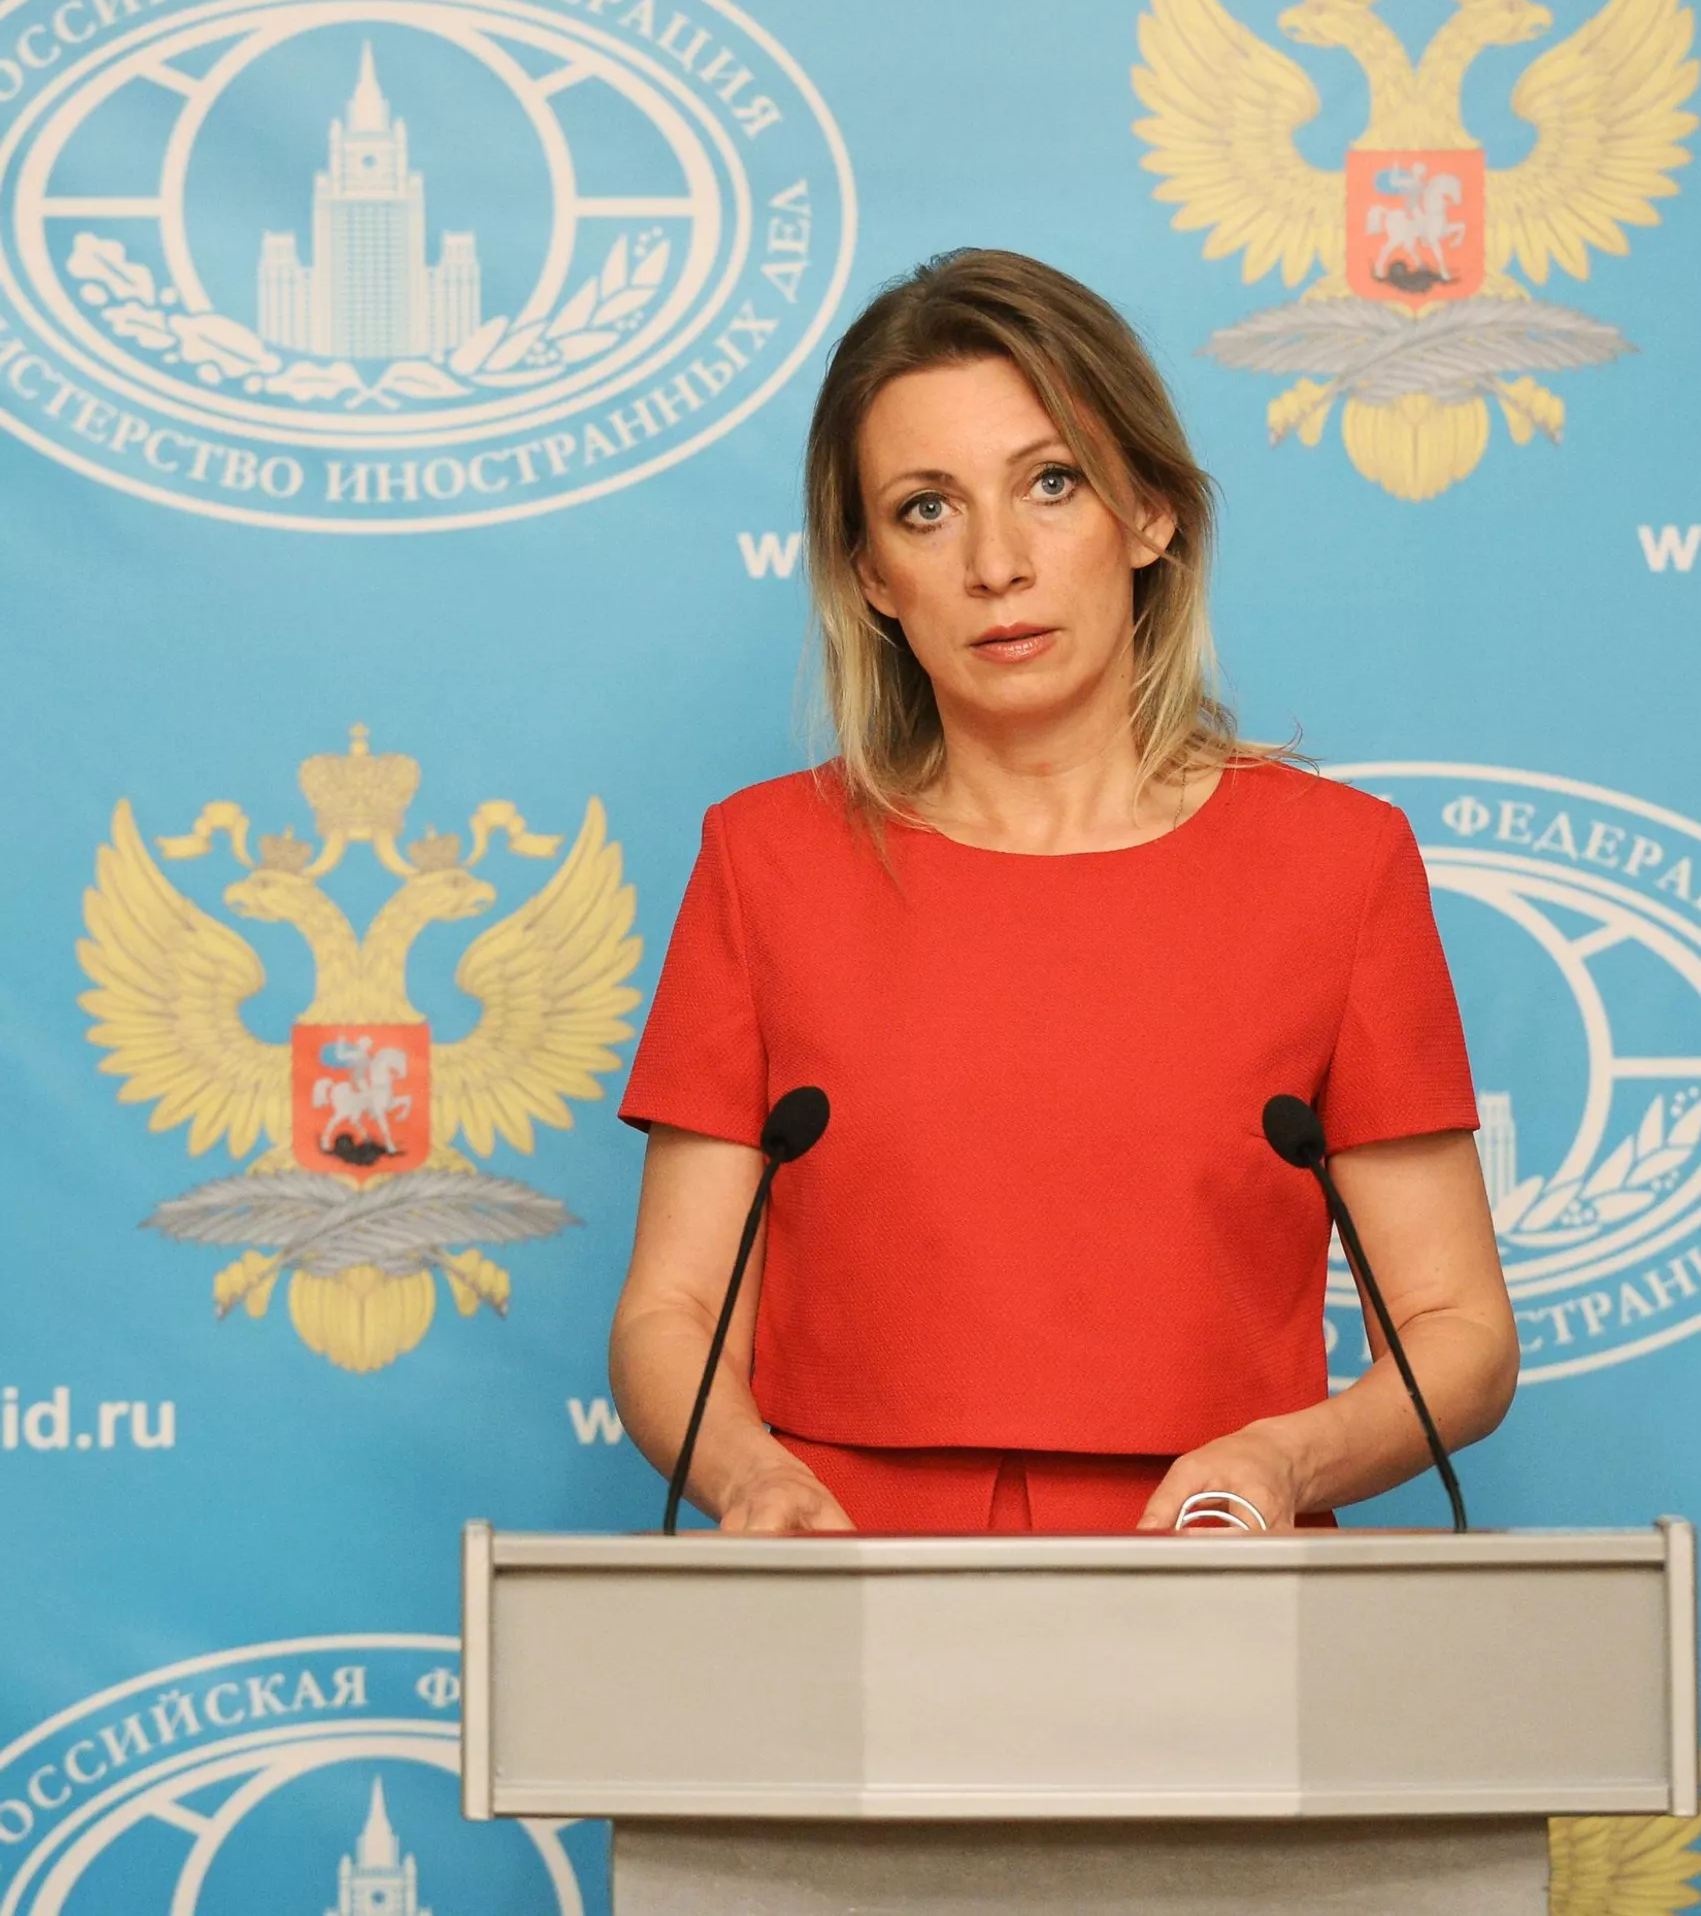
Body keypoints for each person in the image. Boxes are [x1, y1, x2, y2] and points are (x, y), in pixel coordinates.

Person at [608, 249, 1518, 1536]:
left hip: (1212, 1571)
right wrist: (749, 1479)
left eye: (1051, 483)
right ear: (870, 574)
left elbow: (1457, 1326)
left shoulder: (1339, 865)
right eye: (927, 508)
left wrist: (1283, 1462)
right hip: (838, 1583)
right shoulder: (764, 861)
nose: (997, 562)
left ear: (1150, 514)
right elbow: (672, 1312)